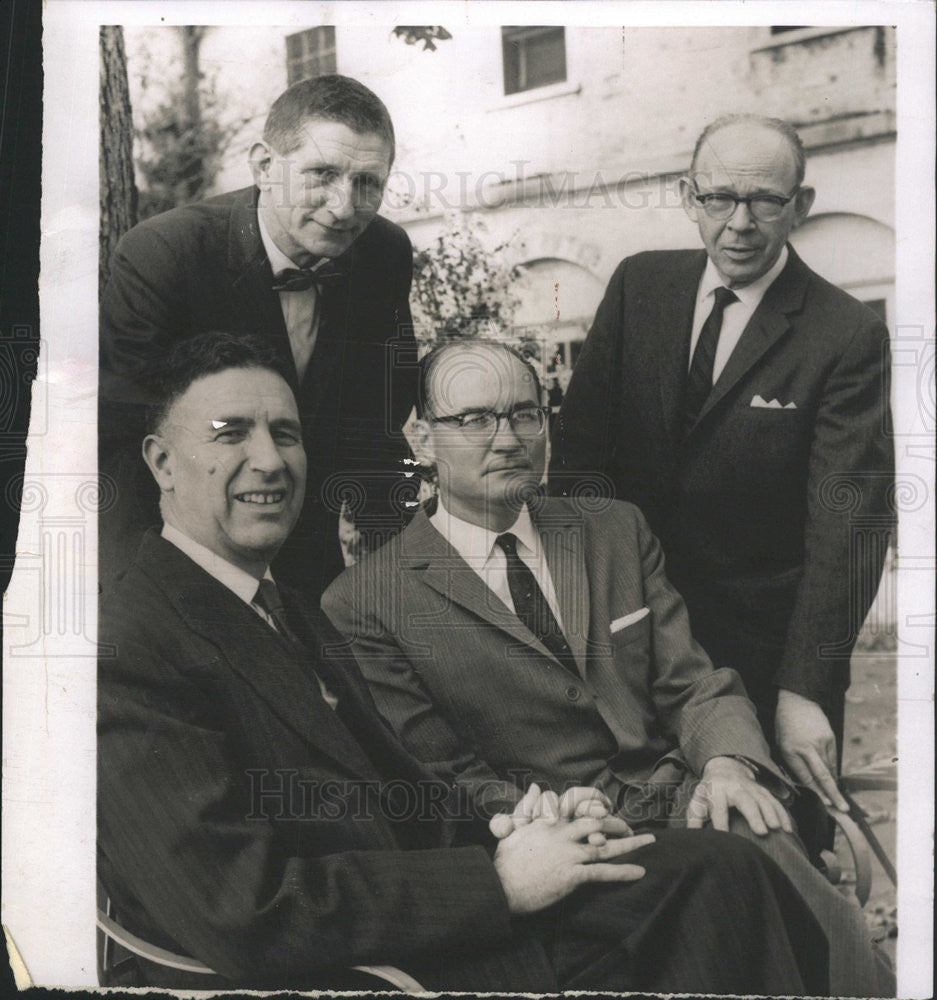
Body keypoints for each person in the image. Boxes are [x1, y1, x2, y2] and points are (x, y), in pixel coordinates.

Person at [97, 331, 830, 993]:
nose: (268, 460)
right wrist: (494, 882)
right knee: (712, 893)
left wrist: (523, 827)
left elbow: (405, 788)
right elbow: (238, 910)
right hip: (372, 964)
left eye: (285, 434)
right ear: (161, 461)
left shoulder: (281, 609)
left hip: (430, 903)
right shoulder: (130, 642)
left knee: (722, 868)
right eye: (231, 434)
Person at [322, 338, 893, 997]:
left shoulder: (614, 530)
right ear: (421, 438)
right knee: (746, 887)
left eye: (524, 414)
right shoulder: (366, 601)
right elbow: (442, 774)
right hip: (560, 843)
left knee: (752, 825)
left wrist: (726, 763)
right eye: (473, 419)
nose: (506, 438)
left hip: (684, 801)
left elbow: (692, 684)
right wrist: (547, 820)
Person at [550, 114, 894, 812]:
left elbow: (847, 527)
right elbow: (579, 466)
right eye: (718, 198)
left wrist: (804, 689)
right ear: (687, 196)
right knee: (635, 843)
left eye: (764, 201)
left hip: (761, 662)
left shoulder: (845, 333)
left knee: (772, 856)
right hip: (625, 644)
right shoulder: (636, 287)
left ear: (799, 205)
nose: (739, 222)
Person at [100, 74, 418, 601]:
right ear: (265, 166)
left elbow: (379, 417)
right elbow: (123, 444)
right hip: (187, 545)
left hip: (311, 543)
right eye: (322, 174)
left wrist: (403, 573)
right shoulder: (164, 256)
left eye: (368, 183)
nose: (345, 206)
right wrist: (136, 599)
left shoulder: (384, 252)